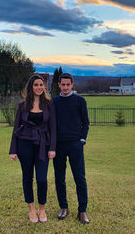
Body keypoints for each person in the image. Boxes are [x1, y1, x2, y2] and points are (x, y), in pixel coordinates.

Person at [9, 74, 56, 223]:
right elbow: (16, 128)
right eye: (36, 85)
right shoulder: (22, 106)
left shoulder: (49, 105)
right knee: (27, 177)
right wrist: (13, 149)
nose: (39, 87)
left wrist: (52, 148)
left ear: (44, 87)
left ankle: (42, 208)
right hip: (25, 145)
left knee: (42, 179)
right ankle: (31, 209)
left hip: (43, 145)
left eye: (41, 85)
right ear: (31, 87)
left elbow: (53, 128)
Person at [52, 73, 90, 224]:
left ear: (72, 85)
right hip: (58, 145)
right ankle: (64, 207)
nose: (66, 87)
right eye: (63, 85)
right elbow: (50, 124)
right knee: (59, 178)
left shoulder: (80, 101)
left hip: (75, 144)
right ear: (59, 85)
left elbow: (85, 123)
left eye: (68, 85)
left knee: (79, 178)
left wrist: (81, 140)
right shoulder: (54, 102)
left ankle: (82, 211)